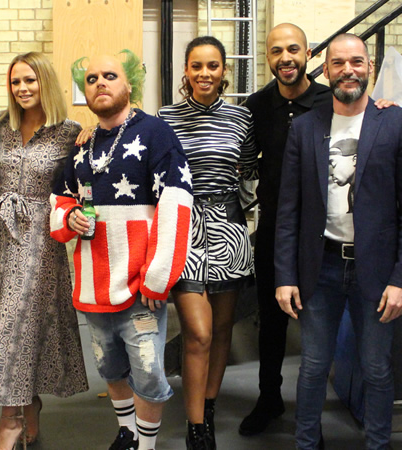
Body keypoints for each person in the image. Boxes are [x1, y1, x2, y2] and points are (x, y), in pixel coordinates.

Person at [273, 33, 402, 450]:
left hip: (377, 271)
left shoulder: (396, 123)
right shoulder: (305, 128)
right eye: (338, 63)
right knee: (313, 368)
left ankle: (378, 444)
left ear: (369, 67)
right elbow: (288, 210)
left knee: (376, 368)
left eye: (356, 62)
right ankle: (307, 443)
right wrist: (285, 275)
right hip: (319, 268)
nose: (348, 70)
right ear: (326, 69)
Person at [51, 50, 193, 450]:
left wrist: (159, 275)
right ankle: (127, 434)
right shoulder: (82, 143)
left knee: (148, 372)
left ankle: (145, 447)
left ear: (129, 83)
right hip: (94, 284)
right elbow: (60, 200)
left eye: (110, 75)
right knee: (109, 366)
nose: (100, 83)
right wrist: (69, 219)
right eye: (92, 78)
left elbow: (177, 203)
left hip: (140, 284)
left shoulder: (156, 133)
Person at [0, 52, 89, 450]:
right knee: (12, 322)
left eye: (30, 81)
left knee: (11, 326)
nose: (22, 89)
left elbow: (83, 180)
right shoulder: (0, 125)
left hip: (39, 235)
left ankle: (11, 419)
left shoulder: (70, 131)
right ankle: (29, 401)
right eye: (16, 82)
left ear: (46, 83)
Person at [157, 35, 256, 450]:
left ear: (223, 71)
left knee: (219, 332)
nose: (204, 74)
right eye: (196, 66)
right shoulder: (163, 117)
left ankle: (208, 407)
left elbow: (249, 170)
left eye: (212, 66)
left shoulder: (240, 119)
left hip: (229, 227)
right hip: (184, 227)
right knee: (196, 332)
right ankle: (197, 428)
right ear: (185, 70)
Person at [239, 23, 331, 436]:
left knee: (319, 323)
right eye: (276, 51)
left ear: (308, 53)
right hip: (275, 230)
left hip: (325, 233)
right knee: (272, 322)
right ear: (269, 57)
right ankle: (269, 398)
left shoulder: (333, 101)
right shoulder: (258, 106)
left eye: (293, 49)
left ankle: (312, 411)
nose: (284, 58)